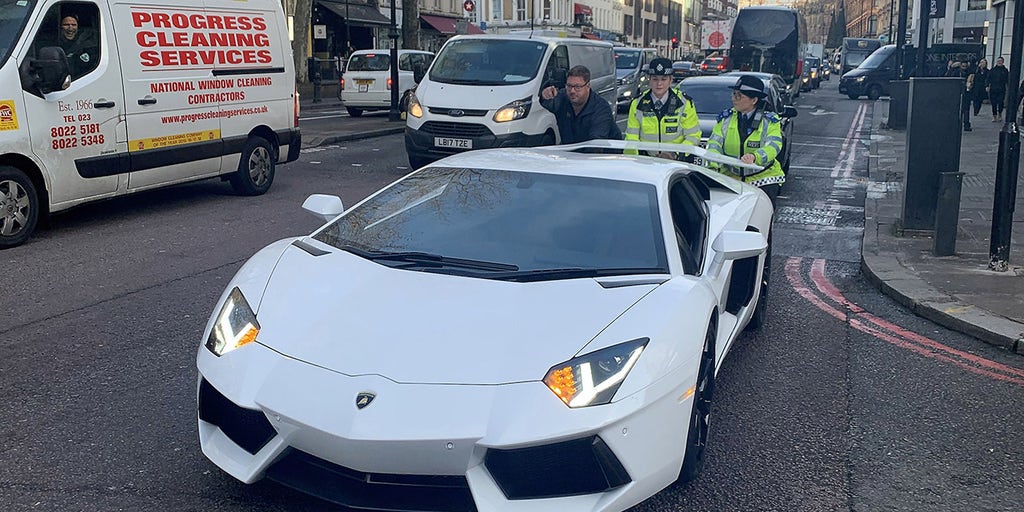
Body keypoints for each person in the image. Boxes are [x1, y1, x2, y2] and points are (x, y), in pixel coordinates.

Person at [705, 75, 786, 206]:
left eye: (739, 96)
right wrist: (713, 165)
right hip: (732, 178)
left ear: (754, 100)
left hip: (763, 179)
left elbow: (774, 145)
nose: (734, 99)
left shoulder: (769, 121)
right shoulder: (726, 119)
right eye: (733, 95)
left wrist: (755, 157)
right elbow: (714, 143)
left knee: (759, 220)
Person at [623, 57, 701, 159]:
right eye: (655, 79)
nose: (659, 84)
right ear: (649, 79)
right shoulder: (638, 103)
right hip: (645, 161)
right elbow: (631, 138)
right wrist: (633, 161)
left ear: (670, 80)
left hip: (677, 162)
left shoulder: (684, 103)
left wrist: (674, 154)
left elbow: (693, 136)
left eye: (663, 79)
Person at [539, 65, 621, 144]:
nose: (572, 91)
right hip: (571, 152)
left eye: (577, 87)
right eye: (569, 86)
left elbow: (597, 142)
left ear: (588, 86)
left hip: (604, 155)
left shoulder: (601, 108)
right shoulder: (562, 97)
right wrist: (544, 95)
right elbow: (547, 103)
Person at [55, 14, 98, 79]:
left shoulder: (87, 46)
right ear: (60, 27)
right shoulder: (54, 45)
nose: (70, 28)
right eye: (66, 25)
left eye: (74, 25)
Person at [949, 61, 974, 131]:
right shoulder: (956, 72)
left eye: (965, 66)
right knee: (961, 109)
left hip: (966, 93)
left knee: (965, 109)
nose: (964, 68)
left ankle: (965, 124)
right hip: (959, 92)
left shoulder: (968, 72)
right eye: (963, 66)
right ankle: (962, 124)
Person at [988, 57, 1009, 122]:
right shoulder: (993, 70)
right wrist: (987, 86)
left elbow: (1007, 79)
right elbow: (988, 78)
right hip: (993, 89)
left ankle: (1000, 114)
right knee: (993, 103)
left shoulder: (1005, 70)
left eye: (1000, 61)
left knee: (1000, 102)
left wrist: (1008, 86)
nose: (999, 62)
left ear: (1003, 62)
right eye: (998, 61)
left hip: (1001, 89)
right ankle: (994, 116)